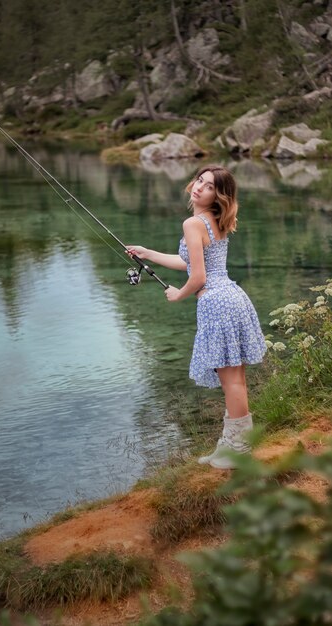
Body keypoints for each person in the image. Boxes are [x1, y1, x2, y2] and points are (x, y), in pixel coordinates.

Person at [126, 164, 267, 470]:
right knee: (235, 379)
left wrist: (179, 294)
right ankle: (234, 446)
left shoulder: (193, 223)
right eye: (199, 180)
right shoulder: (214, 220)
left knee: (231, 382)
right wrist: (148, 253)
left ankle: (238, 450)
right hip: (232, 298)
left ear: (219, 195)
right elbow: (189, 262)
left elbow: (198, 277)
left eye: (209, 186)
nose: (200, 187)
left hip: (216, 304)